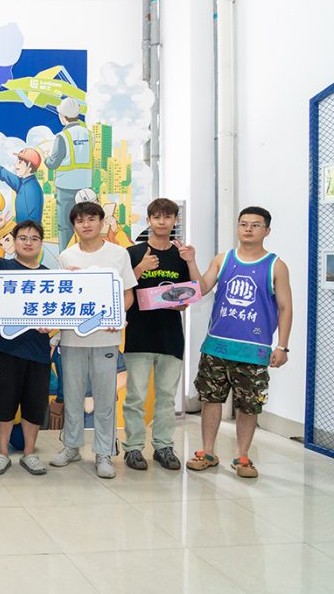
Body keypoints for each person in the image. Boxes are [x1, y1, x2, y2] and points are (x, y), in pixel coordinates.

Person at [185, 206, 292, 478]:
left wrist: (282, 346)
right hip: (216, 347)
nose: (248, 229)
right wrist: (191, 261)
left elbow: (285, 307)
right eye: (243, 224)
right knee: (210, 399)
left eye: (255, 225)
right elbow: (201, 289)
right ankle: (208, 452)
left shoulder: (276, 265)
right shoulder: (223, 259)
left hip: (253, 351)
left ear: (267, 231)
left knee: (249, 405)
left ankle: (242, 457)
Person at [50, 201, 136, 479]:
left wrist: (116, 316)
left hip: (105, 339)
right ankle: (71, 446)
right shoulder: (66, 256)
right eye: (79, 221)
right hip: (72, 339)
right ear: (73, 226)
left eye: (91, 219)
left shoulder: (118, 254)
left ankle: (104, 452)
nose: (85, 225)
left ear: (101, 222)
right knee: (73, 396)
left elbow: (128, 295)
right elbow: (59, 297)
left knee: (105, 398)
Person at [121, 198, 200, 471]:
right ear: (149, 220)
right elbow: (120, 288)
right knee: (135, 396)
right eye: (157, 217)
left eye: (167, 217)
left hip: (170, 335)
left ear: (175, 220)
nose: (162, 221)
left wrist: (191, 262)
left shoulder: (181, 254)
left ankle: (163, 446)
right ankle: (133, 448)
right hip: (139, 335)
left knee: (166, 396)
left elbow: (195, 290)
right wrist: (140, 268)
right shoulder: (134, 252)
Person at [0, 220, 53, 475]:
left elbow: (59, 312)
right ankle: (2, 453)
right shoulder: (2, 267)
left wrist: (51, 326)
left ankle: (29, 454)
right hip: (6, 350)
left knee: (34, 405)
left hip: (38, 351)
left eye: (34, 238)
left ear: (40, 244)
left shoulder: (50, 276)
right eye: (22, 238)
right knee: (3, 403)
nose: (28, 242)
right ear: (15, 241)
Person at [45, 98, 94, 248]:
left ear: (62, 116)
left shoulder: (62, 137)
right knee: (86, 224)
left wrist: (46, 159)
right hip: (85, 185)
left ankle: (66, 257)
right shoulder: (89, 134)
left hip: (66, 187)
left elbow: (53, 163)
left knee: (66, 226)